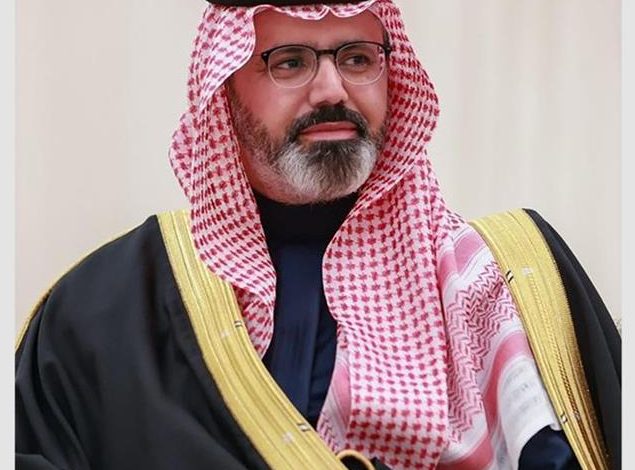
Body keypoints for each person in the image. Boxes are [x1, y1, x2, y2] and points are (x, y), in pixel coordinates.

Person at [15, 1, 620, 469]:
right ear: (224, 90)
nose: (332, 89)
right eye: (291, 62)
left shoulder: (498, 282)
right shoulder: (102, 313)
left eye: (357, 58)